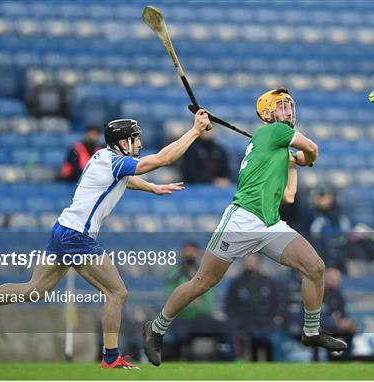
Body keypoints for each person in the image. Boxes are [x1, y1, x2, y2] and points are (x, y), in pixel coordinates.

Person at [0, 110, 211, 369]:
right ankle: (110, 358)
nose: (140, 143)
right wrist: (194, 131)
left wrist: (151, 187)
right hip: (77, 237)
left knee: (33, 290)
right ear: (123, 142)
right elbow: (162, 159)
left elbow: (125, 179)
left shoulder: (103, 157)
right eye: (136, 138)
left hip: (63, 230)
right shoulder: (115, 162)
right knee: (117, 292)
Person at [143, 87, 347, 367]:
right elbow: (312, 149)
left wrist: (293, 164)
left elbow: (288, 196)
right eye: (282, 106)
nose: (288, 111)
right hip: (241, 220)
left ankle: (311, 332)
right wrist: (304, 159)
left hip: (270, 224)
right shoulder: (274, 133)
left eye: (290, 106)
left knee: (315, 268)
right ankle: (156, 328)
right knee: (202, 283)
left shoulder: (277, 145)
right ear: (267, 114)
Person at [224, 254, 279, 361]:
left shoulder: (268, 282)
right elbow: (229, 306)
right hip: (244, 325)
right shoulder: (236, 283)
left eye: (253, 260)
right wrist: (236, 323)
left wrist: (271, 321)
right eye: (248, 260)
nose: (250, 263)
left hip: (265, 325)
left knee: (272, 340)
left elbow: (275, 304)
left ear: (259, 262)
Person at [320, 268, 357, 361]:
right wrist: (335, 324)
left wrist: (347, 323)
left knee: (350, 331)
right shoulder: (318, 293)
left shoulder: (338, 295)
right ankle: (328, 359)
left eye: (336, 280)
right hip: (319, 326)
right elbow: (318, 315)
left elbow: (343, 313)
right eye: (331, 279)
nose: (334, 282)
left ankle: (346, 360)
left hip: (334, 327)